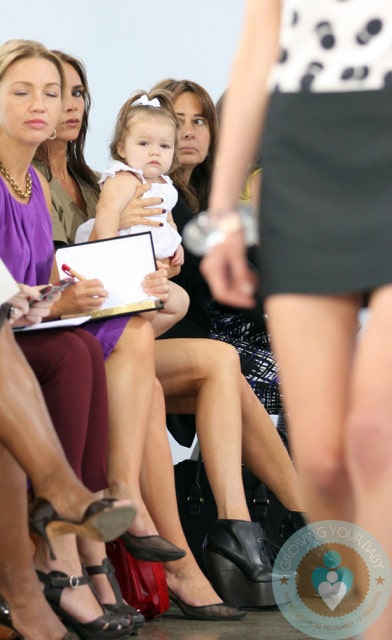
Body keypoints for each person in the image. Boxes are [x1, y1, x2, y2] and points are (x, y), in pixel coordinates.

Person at [36, 48, 305, 613]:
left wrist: (163, 277)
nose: (64, 105)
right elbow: (83, 265)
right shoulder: (83, 182)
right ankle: (224, 545)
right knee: (213, 361)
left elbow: (137, 270)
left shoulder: (98, 179)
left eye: (74, 92)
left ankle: (247, 527)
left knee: (218, 362)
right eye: (44, 91)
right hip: (74, 335)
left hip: (124, 329)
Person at [201, 1, 392, 638]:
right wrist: (224, 206)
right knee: (323, 460)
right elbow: (261, 43)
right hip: (303, 156)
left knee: (374, 435)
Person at [75, 89, 189, 338]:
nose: (155, 152)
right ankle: (116, 344)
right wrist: (113, 255)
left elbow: (166, 218)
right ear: (122, 149)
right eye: (144, 143)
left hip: (149, 267)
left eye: (164, 145)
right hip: (120, 261)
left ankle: (132, 344)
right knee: (146, 307)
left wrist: (175, 245)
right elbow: (106, 211)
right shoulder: (125, 178)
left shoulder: (164, 183)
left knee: (180, 302)